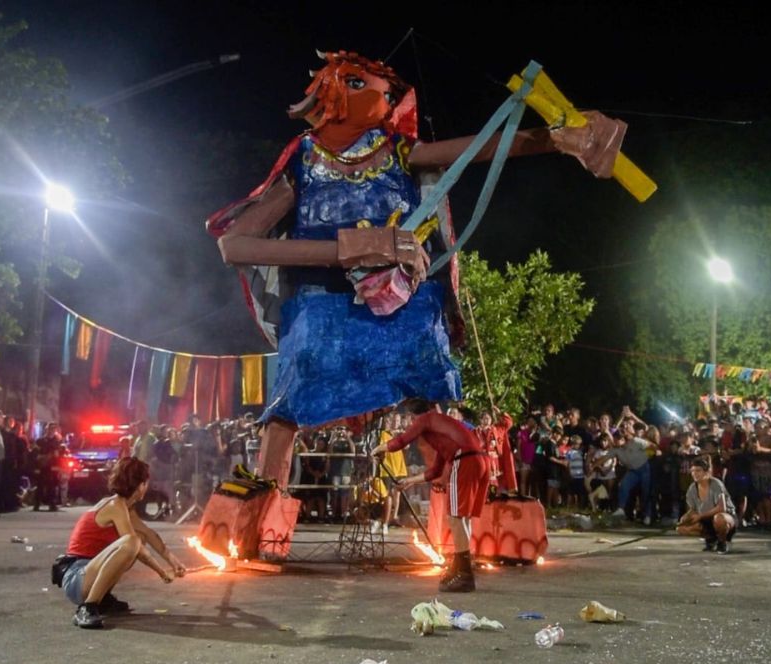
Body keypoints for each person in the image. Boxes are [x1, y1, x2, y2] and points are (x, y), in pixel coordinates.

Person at [206, 49, 627, 494]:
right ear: (330, 92)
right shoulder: (304, 161)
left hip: (403, 301)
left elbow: (477, 150)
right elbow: (233, 245)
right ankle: (261, 509)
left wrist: (557, 138)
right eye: (357, 83)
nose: (383, 94)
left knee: (432, 386)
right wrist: (349, 248)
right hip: (321, 303)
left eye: (382, 88)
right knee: (293, 396)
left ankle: (456, 510)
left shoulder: (399, 152)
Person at [59, 457, 187, 629]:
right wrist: (162, 572)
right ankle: (87, 607)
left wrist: (173, 560)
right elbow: (133, 546)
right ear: (140, 485)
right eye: (145, 483)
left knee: (138, 538)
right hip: (76, 577)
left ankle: (102, 599)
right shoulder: (115, 505)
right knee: (131, 542)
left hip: (86, 572)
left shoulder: (125, 507)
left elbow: (148, 534)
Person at [373, 401, 487, 592]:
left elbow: (401, 441)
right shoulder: (440, 426)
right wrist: (410, 481)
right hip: (479, 460)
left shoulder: (426, 419)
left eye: (408, 418)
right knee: (462, 517)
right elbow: (436, 470)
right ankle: (460, 568)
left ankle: (465, 575)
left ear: (412, 414)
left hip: (465, 459)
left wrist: (380, 448)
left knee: (455, 517)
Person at [676, 457, 737, 553]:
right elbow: (693, 508)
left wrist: (699, 516)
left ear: (706, 472)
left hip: (724, 517)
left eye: (698, 470)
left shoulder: (715, 484)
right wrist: (686, 517)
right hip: (706, 518)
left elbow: (722, 508)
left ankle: (722, 542)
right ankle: (711, 539)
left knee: (719, 518)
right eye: (692, 471)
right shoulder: (692, 488)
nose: (694, 473)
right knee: (681, 528)